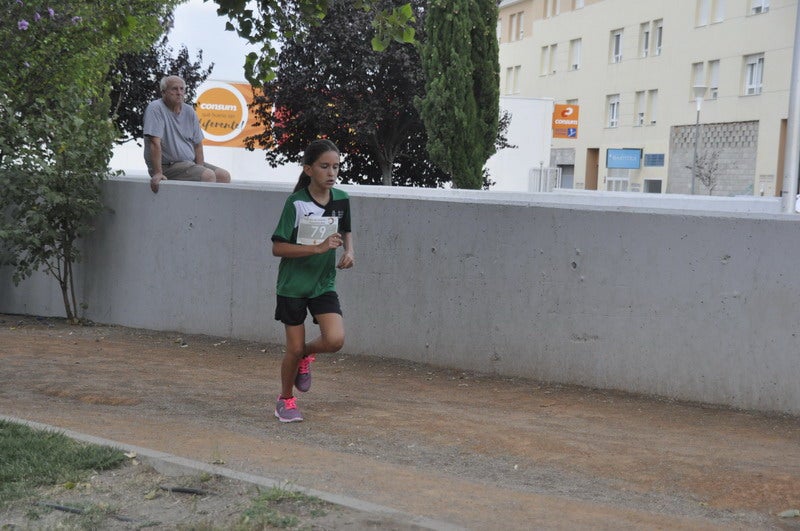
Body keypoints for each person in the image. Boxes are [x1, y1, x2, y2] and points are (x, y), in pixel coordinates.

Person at [270, 139, 355, 422]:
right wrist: (317, 249)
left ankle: (303, 356)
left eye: (336, 167)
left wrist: (349, 251)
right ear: (308, 169)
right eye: (324, 166)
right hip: (293, 286)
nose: (332, 173)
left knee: (335, 339)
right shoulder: (296, 203)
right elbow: (278, 248)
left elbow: (346, 229)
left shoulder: (341, 198)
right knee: (291, 348)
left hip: (323, 283)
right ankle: (285, 400)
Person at [143, 75, 231, 193]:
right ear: (163, 92)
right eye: (174, 89)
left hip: (189, 163)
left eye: (182, 89)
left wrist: (200, 168)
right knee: (208, 176)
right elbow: (154, 143)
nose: (179, 93)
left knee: (224, 176)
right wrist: (158, 173)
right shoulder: (155, 108)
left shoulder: (189, 111)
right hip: (167, 166)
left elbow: (198, 145)